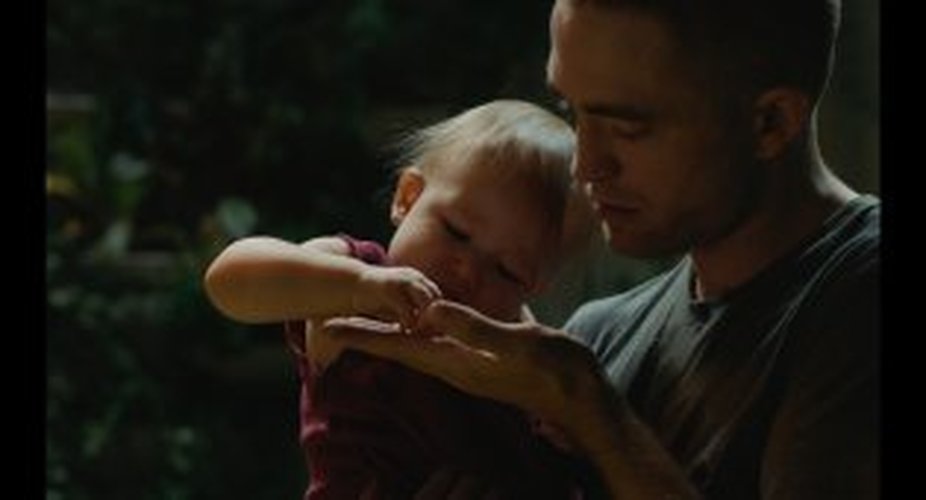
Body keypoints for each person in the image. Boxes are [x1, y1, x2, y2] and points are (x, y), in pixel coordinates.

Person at [313, 0, 880, 498]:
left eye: (628, 128)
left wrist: (596, 415)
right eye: (571, 111)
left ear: (770, 122)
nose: (585, 166)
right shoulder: (600, 335)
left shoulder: (854, 303)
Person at [204, 99, 595, 499]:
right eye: (456, 232)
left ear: (539, 284)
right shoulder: (357, 274)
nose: (468, 271)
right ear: (407, 198)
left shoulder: (517, 344)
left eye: (508, 271)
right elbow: (230, 279)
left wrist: (563, 430)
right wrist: (358, 286)